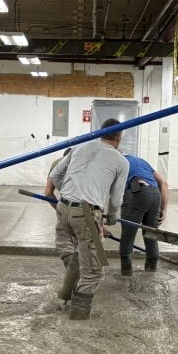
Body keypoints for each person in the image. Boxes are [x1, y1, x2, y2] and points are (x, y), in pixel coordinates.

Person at [45, 119, 128, 319]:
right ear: (118, 137)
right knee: (94, 272)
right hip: (87, 216)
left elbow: (55, 176)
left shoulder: (80, 147)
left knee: (79, 251)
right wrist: (111, 217)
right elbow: (116, 200)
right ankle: (77, 318)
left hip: (64, 210)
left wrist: (72, 193)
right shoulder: (121, 161)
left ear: (101, 133)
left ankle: (64, 297)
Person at [119, 152, 169, 275]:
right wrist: (163, 209)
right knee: (151, 234)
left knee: (128, 236)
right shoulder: (141, 161)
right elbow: (164, 184)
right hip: (155, 194)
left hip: (138, 192)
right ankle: (151, 271)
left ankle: (126, 273)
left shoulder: (118, 161)